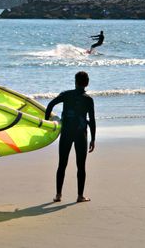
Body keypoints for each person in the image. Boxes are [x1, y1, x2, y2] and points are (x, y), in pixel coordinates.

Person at [45, 71, 96, 203]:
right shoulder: (88, 99)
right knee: (81, 166)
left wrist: (46, 124)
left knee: (62, 164)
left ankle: (58, 195)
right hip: (81, 135)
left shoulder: (66, 94)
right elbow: (92, 120)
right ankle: (80, 196)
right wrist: (93, 139)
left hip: (66, 133)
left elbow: (50, 105)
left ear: (75, 81)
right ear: (87, 83)